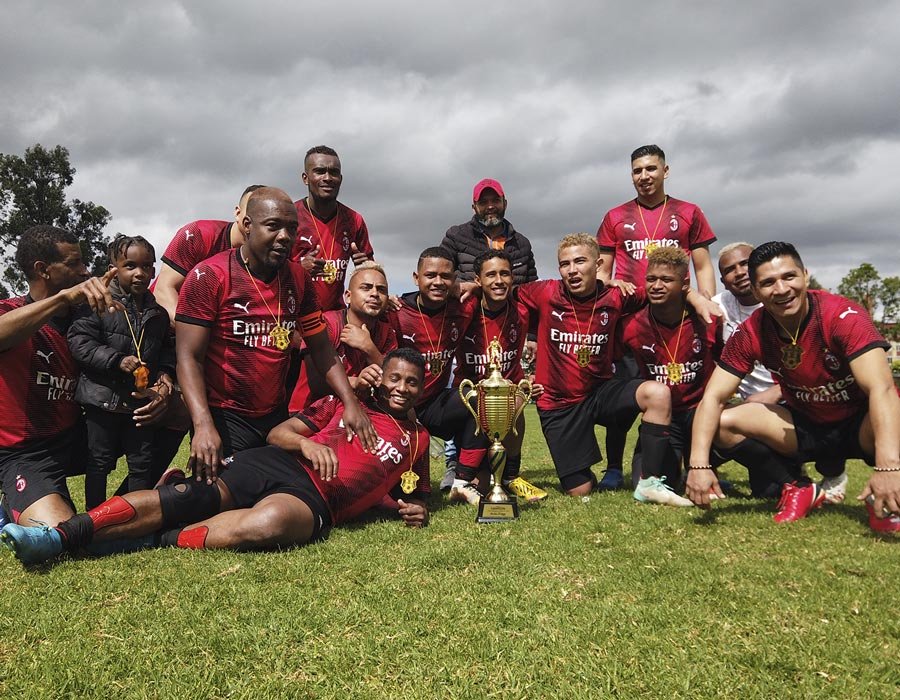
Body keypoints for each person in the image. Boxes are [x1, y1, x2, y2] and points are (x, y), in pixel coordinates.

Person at [1, 349, 431, 563]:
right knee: (191, 498)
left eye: (412, 383)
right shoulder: (344, 402)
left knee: (270, 524)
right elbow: (280, 432)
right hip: (279, 462)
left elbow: (403, 492)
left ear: (422, 388)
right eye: (395, 377)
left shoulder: (420, 441)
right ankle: (58, 537)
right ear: (381, 376)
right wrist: (308, 443)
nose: (401, 388)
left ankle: (154, 538)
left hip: (317, 502)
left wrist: (410, 510)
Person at [686, 241, 900, 532]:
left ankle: (884, 496)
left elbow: (882, 390)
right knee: (724, 423)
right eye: (769, 283)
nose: (782, 289)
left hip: (861, 425)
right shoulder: (751, 331)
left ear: (805, 275)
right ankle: (798, 487)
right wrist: (698, 465)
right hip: (805, 424)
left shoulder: (842, 316)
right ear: (757, 290)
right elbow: (713, 397)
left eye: (789, 277)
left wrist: (888, 467)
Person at [174, 187, 376, 484]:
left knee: (277, 490)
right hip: (226, 416)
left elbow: (321, 348)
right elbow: (188, 357)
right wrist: (203, 425)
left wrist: (350, 402)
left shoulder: (298, 279)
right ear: (246, 226)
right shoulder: (209, 276)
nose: (284, 236)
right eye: (273, 226)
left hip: (275, 415)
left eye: (292, 229)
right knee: (220, 496)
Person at [516, 233, 718, 504]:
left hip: (600, 392)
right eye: (565, 264)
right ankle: (591, 470)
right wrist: (466, 286)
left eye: (580, 261)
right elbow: (501, 292)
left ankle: (650, 482)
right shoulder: (544, 292)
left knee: (657, 393)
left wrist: (696, 296)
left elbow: (665, 287)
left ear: (597, 264)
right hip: (558, 403)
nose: (572, 270)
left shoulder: (617, 295)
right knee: (580, 489)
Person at [595, 145, 718, 491]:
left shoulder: (689, 212)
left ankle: (697, 456)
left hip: (675, 314)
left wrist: (704, 302)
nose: (644, 176)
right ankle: (615, 468)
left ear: (665, 171)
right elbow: (603, 271)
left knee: (687, 388)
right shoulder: (616, 216)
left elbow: (703, 265)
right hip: (631, 320)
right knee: (625, 399)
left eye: (651, 169)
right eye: (637, 171)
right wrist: (610, 283)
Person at [0, 225, 122, 528]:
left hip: (78, 437)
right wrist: (63, 299)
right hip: (26, 452)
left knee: (172, 413)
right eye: (73, 264)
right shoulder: (11, 311)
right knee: (59, 532)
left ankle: (139, 497)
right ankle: (15, 505)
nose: (85, 271)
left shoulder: (89, 320)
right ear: (43, 269)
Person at [439, 179, 539, 488]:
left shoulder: (520, 242)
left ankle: (511, 474)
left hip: (508, 322)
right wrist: (466, 286)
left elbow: (532, 288)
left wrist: (532, 336)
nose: (490, 206)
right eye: (484, 202)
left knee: (514, 393)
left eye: (495, 200)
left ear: (505, 203)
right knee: (467, 395)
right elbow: (443, 273)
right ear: (475, 207)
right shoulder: (457, 235)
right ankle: (454, 466)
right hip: (473, 322)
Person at [68, 235, 174, 508]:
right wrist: (116, 360)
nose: (140, 273)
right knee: (99, 462)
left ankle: (132, 517)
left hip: (140, 402)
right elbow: (79, 343)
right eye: (130, 266)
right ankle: (94, 518)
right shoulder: (97, 304)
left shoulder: (158, 313)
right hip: (101, 400)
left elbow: (166, 350)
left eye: (147, 266)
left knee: (142, 461)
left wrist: (164, 374)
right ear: (114, 267)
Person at [389, 247, 490, 505]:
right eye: (430, 275)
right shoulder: (396, 312)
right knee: (406, 493)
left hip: (433, 403)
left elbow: (490, 290)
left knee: (479, 398)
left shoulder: (463, 308)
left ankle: (462, 481)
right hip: (397, 406)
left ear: (455, 279)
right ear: (416, 277)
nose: (437, 282)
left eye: (445, 276)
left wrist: (475, 287)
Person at [617, 247, 723, 486]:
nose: (656, 286)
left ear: (685, 283)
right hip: (665, 419)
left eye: (666, 279)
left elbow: (725, 365)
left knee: (766, 485)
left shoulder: (708, 319)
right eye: (651, 279)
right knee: (645, 483)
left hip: (703, 414)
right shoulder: (631, 326)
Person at [454, 250, 547, 502]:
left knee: (515, 399)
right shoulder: (464, 311)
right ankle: (463, 469)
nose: (498, 280)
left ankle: (511, 477)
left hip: (508, 396)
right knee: (481, 485)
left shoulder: (523, 311)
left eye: (504, 273)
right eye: (491, 274)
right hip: (470, 401)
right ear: (478, 280)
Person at [288, 261, 397, 412]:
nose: (374, 294)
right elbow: (316, 384)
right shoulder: (326, 323)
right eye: (366, 288)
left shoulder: (387, 333)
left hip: (361, 412)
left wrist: (370, 349)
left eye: (381, 290)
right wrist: (354, 382)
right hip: (310, 411)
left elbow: (395, 384)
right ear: (348, 297)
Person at [153, 185, 265, 323]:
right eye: (252, 210)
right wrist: (193, 332)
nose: (257, 218)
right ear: (237, 213)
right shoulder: (198, 234)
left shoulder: (271, 254)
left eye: (265, 214)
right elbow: (163, 290)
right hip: (167, 329)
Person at [291, 146, 373, 311]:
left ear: (340, 179)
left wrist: (365, 266)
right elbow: (266, 270)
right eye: (320, 171)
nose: (328, 178)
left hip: (335, 316)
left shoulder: (353, 220)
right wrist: (298, 269)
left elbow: (371, 272)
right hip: (294, 313)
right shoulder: (289, 217)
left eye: (334, 172)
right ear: (305, 178)